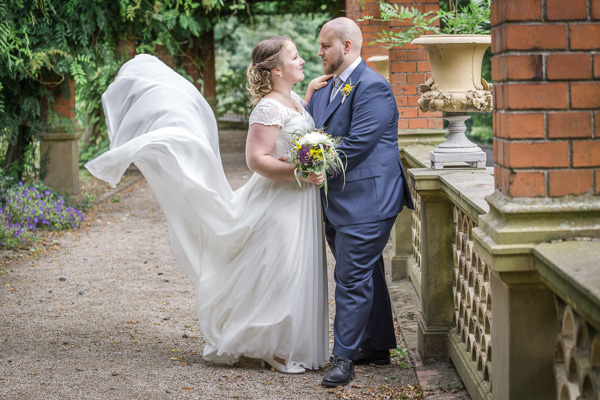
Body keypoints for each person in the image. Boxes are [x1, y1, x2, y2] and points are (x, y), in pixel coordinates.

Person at [85, 37, 331, 374]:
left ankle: (290, 341)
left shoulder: (293, 102)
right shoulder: (268, 107)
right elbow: (256, 160)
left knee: (297, 267)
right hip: (279, 200)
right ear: (276, 70)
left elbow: (295, 128)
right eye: (295, 56)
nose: (303, 61)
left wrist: (312, 95)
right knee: (280, 269)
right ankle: (270, 345)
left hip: (299, 200)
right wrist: (299, 172)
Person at [305, 18, 415, 387]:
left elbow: (356, 146)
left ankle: (343, 359)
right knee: (366, 272)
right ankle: (377, 346)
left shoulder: (373, 87)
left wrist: (309, 163)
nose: (318, 52)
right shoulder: (323, 90)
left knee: (350, 277)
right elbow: (312, 132)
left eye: (325, 46)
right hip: (335, 199)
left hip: (370, 200)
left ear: (347, 46)